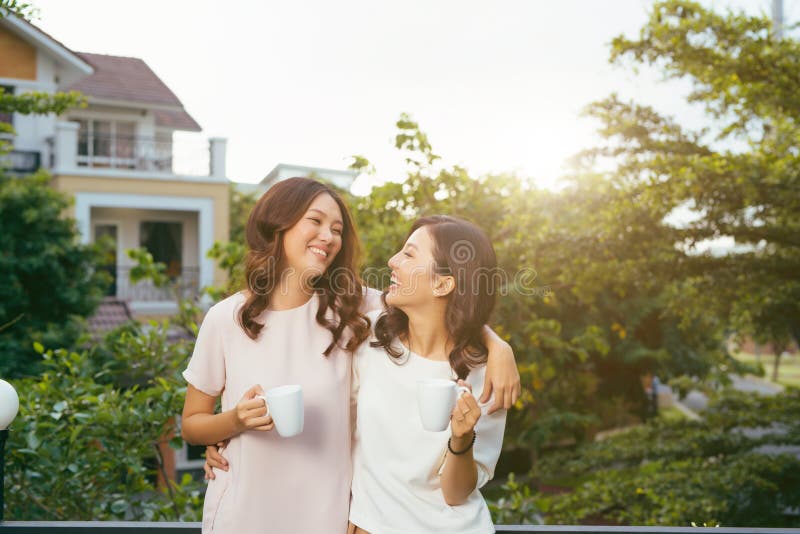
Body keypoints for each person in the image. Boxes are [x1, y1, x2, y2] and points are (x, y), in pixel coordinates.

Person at [182, 178, 519, 533]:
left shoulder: (353, 311)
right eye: (315, 221)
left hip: (325, 515)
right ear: (278, 224)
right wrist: (233, 423)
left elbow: (443, 309)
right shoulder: (226, 318)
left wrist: (497, 346)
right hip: (245, 510)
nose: (328, 236)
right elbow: (192, 425)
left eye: (337, 229)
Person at [349, 215, 506, 534]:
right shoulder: (370, 335)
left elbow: (456, 494)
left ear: (443, 284)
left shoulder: (486, 374)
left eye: (409, 254)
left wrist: (462, 438)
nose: (392, 261)